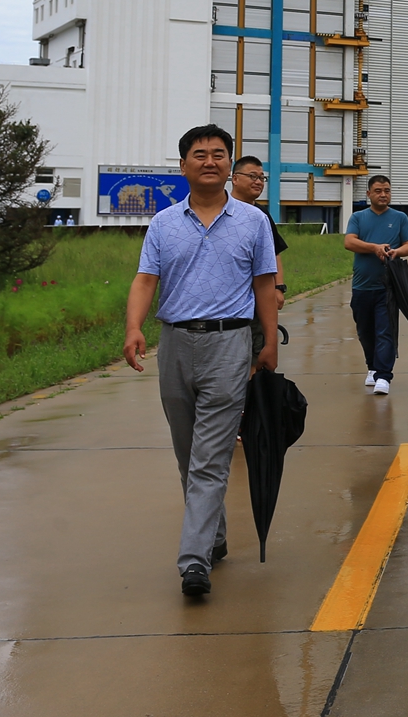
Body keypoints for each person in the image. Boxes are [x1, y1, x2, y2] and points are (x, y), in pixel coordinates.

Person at [122, 124, 280, 598]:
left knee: (210, 458)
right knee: (187, 453)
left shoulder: (253, 222)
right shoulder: (163, 223)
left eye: (218, 154)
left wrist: (269, 343)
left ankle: (194, 562)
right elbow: (146, 280)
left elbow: (265, 286)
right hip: (174, 345)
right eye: (199, 154)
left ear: (229, 164)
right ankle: (214, 536)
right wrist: (134, 327)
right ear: (183, 165)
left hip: (229, 344)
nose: (209, 161)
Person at [343, 174, 408, 394]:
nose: (383, 195)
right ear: (368, 194)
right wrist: (374, 248)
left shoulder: (400, 217)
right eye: (378, 191)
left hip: (388, 287)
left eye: (387, 191)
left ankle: (384, 375)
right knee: (365, 331)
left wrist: (396, 252)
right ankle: (372, 368)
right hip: (362, 286)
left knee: (386, 331)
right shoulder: (358, 217)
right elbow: (349, 242)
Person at [232, 156, 291, 346]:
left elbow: (274, 253)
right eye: (252, 176)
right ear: (235, 178)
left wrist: (278, 288)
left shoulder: (261, 214)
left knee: (257, 352)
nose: (258, 182)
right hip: (230, 303)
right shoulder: (222, 210)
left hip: (258, 300)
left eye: (261, 178)